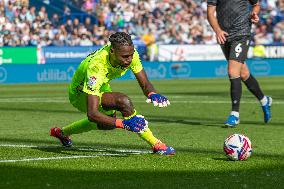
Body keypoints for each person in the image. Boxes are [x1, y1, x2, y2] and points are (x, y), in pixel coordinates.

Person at [50, 32, 175, 155]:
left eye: (131, 55)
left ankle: (62, 133)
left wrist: (152, 93)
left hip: (101, 85)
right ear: (112, 52)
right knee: (123, 101)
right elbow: (92, 114)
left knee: (108, 124)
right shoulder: (97, 66)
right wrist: (124, 124)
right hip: (80, 93)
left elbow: (145, 84)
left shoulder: (130, 53)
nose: (129, 60)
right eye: (125, 57)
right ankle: (157, 144)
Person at [207, 0, 272, 127]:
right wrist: (218, 30)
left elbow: (256, 4)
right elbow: (210, 13)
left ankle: (235, 114)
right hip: (224, 36)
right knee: (243, 73)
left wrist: (254, 13)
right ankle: (265, 100)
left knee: (232, 71)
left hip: (241, 32)